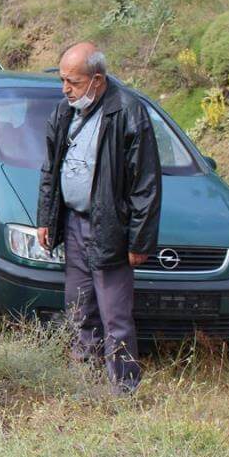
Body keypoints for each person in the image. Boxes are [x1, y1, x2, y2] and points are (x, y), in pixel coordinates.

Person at [36, 43, 162, 394]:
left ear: (97, 79)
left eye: (73, 82)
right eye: (63, 80)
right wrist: (46, 217)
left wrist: (139, 240)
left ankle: (123, 389)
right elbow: (50, 169)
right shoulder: (64, 112)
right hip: (74, 224)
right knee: (79, 309)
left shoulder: (128, 112)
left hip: (111, 229)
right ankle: (85, 382)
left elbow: (146, 183)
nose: (66, 89)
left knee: (115, 316)